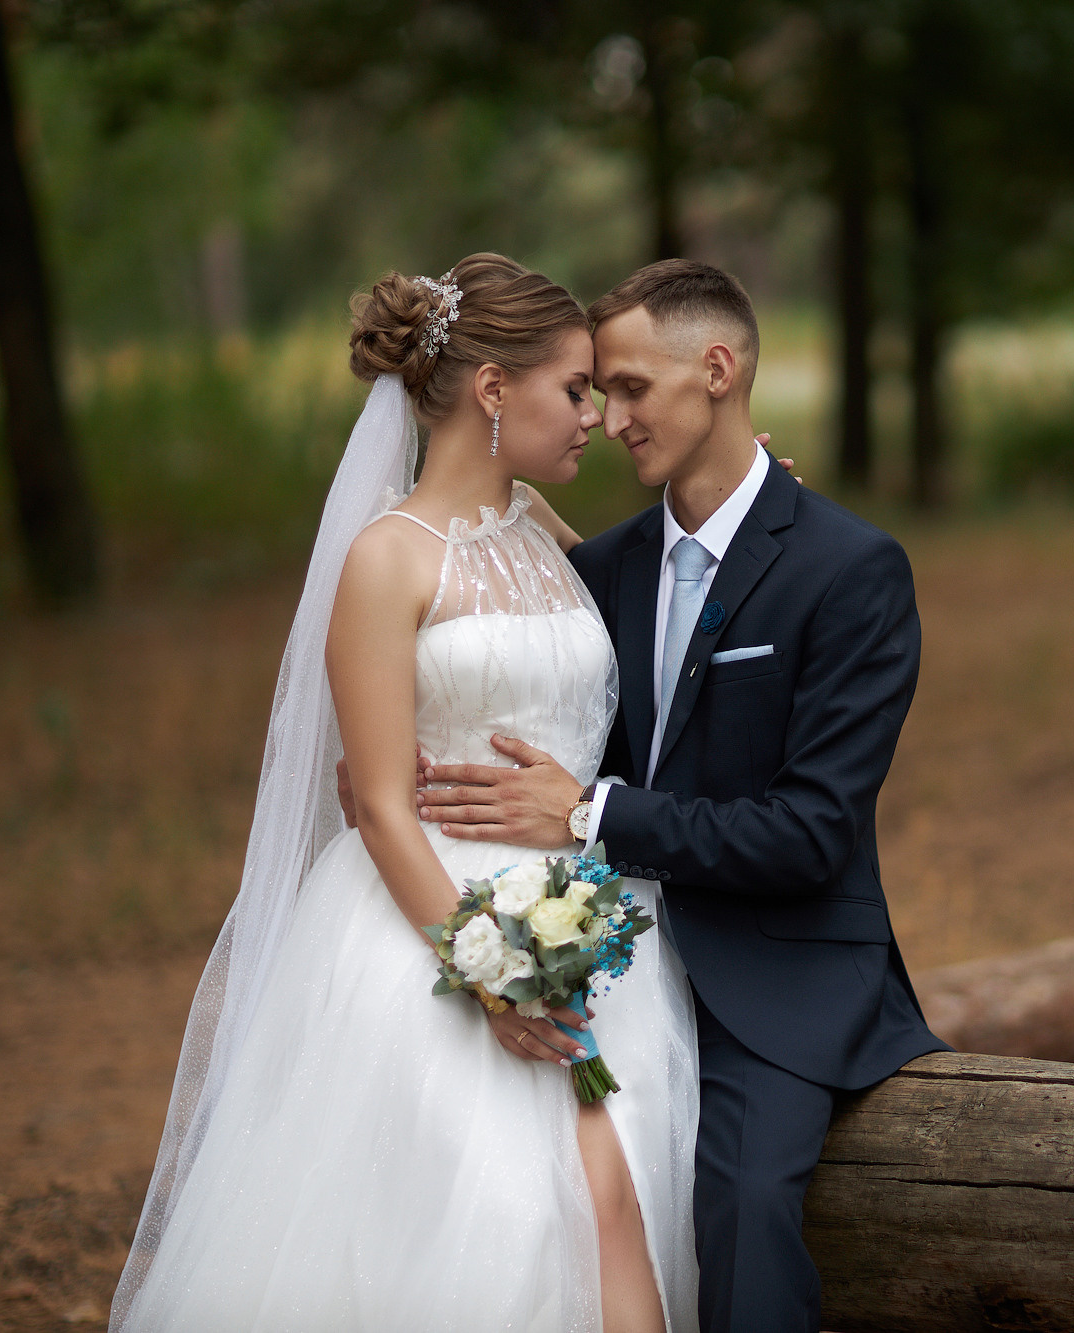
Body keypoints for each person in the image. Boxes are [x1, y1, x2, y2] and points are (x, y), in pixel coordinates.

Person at [112, 253, 701, 1332]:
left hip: (591, 924)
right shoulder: (389, 558)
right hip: (436, 931)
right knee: (496, 1220)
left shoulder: (544, 533)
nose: (593, 418)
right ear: (490, 390)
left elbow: (670, 590)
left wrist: (758, 508)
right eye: (573, 389)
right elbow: (380, 802)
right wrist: (489, 976)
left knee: (617, 1200)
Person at [413, 259, 946, 1333]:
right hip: (608, 955)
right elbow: (454, 566)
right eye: (595, 393)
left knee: (741, 1205)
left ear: (717, 368)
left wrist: (591, 810)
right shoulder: (597, 571)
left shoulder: (850, 571)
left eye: (629, 388)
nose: (608, 419)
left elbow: (810, 834)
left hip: (774, 973)